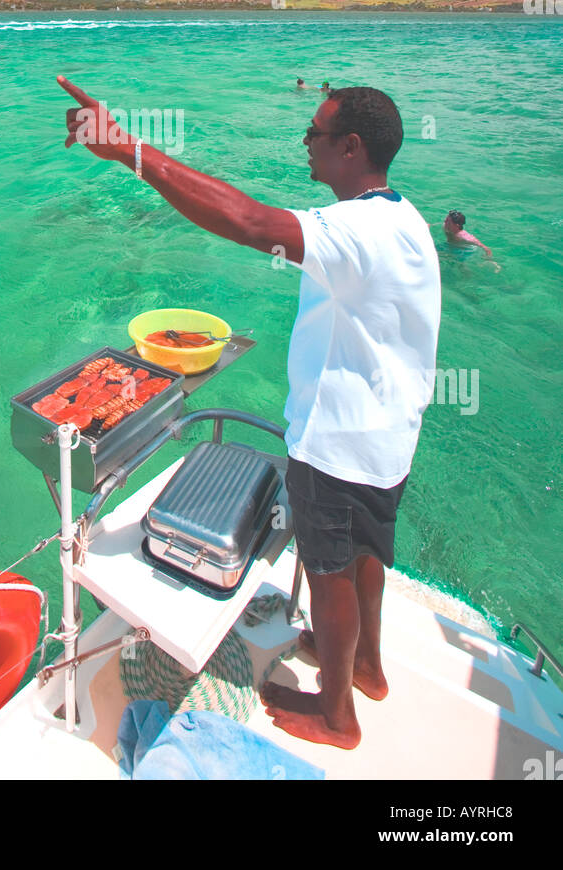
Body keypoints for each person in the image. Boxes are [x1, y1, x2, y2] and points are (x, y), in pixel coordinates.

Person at [57, 74, 440, 750]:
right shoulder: (403, 218)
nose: (305, 142)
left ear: (350, 147)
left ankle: (338, 715)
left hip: (338, 444)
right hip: (388, 439)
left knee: (329, 570)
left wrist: (128, 151)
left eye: (315, 133)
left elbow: (249, 221)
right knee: (366, 556)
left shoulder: (356, 231)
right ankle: (370, 668)